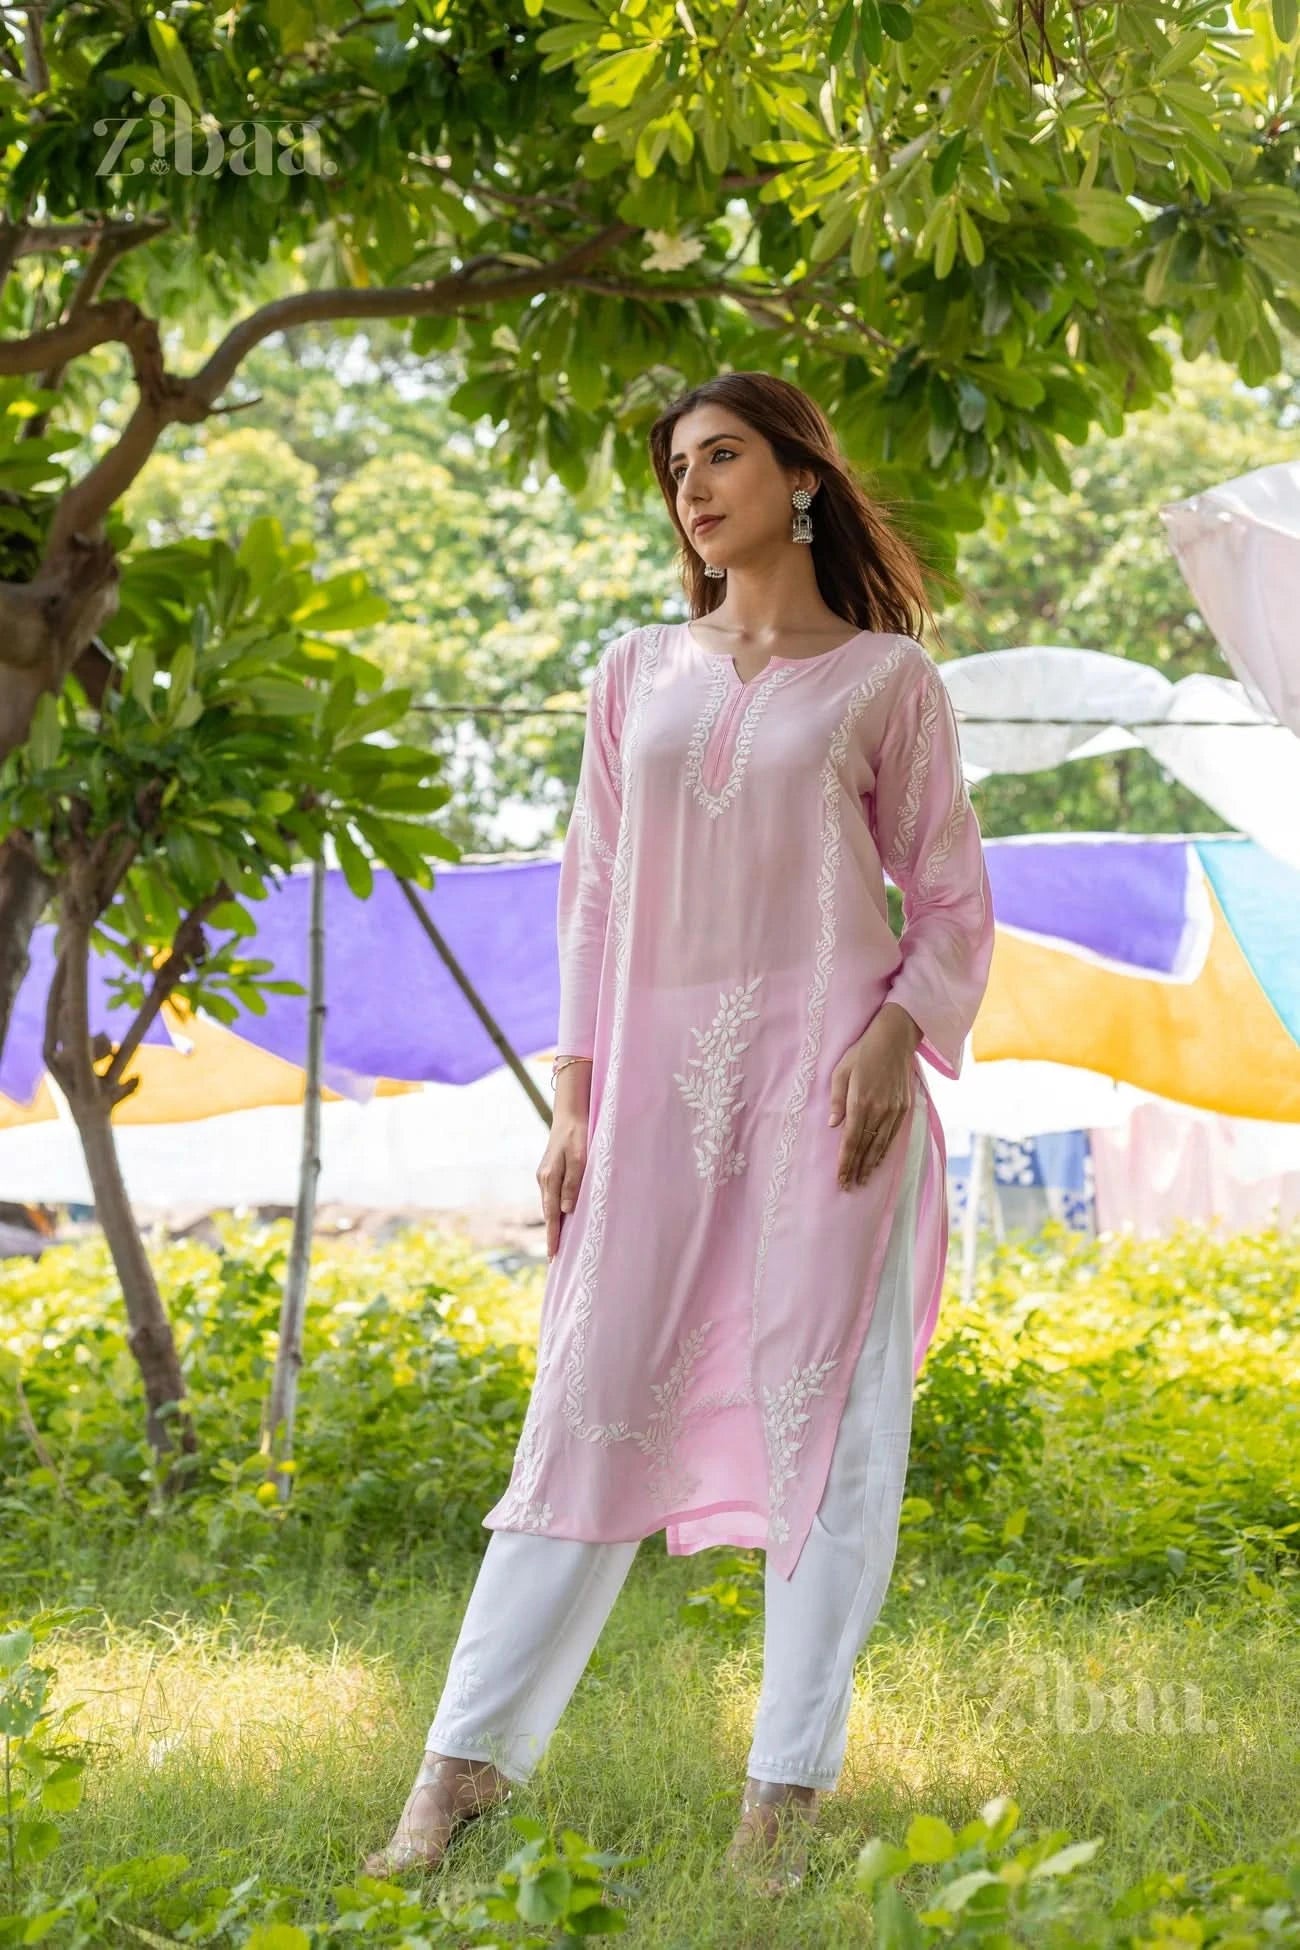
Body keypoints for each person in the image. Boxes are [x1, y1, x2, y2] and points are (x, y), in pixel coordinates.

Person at [364, 371, 995, 1896]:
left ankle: (779, 1812)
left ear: (802, 482)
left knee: (828, 1446)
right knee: (585, 1411)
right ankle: (451, 1785)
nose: (693, 488)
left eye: (722, 457)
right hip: (650, 1104)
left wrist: (895, 1039)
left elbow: (954, 898)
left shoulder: (886, 683)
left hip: (827, 1102)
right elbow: (591, 891)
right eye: (675, 468)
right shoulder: (634, 669)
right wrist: (577, 1094)